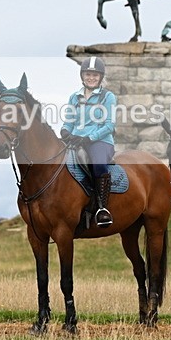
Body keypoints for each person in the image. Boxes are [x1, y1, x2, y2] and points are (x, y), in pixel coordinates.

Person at [61, 57, 117, 228]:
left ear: (100, 77)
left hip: (100, 141)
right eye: (88, 74)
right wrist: (65, 131)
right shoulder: (74, 97)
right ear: (82, 76)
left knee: (98, 165)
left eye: (94, 75)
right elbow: (69, 121)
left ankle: (102, 208)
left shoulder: (108, 97)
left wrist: (89, 138)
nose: (91, 78)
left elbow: (109, 124)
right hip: (76, 141)